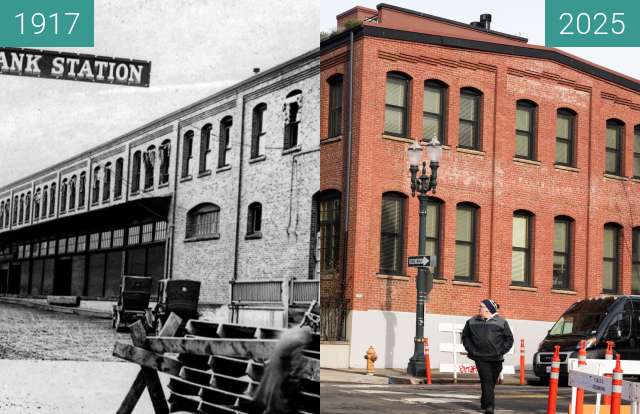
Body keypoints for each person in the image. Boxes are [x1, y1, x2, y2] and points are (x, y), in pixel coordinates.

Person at [461, 299, 514, 414]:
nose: (479, 308)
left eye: (481, 306)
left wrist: (501, 351)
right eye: (479, 306)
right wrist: (472, 350)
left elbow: (509, 339)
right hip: (480, 357)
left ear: (489, 309)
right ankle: (490, 407)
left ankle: (485, 400)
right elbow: (465, 337)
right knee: (487, 381)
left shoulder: (501, 322)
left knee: (491, 382)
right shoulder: (471, 321)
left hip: (496, 358)